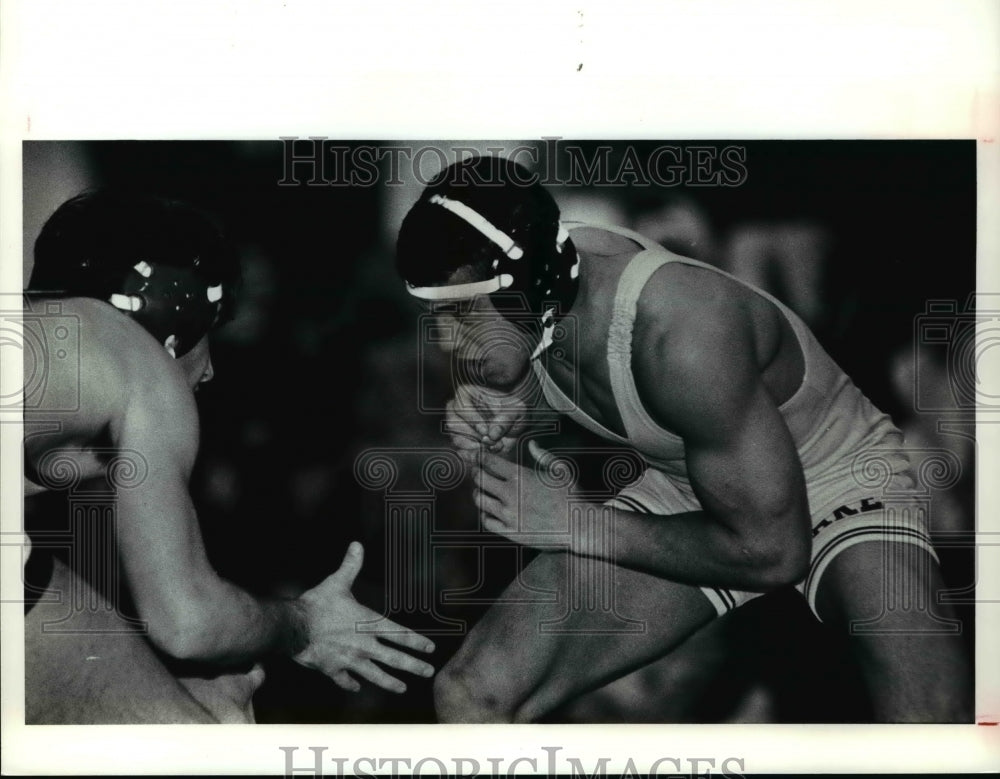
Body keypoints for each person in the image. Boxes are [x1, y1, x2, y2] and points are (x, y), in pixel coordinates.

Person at [394, 156, 972, 723]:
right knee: (474, 693)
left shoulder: (682, 333)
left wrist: (578, 524)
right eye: (436, 314)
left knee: (931, 721)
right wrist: (510, 412)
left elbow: (774, 553)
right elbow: (570, 372)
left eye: (463, 314)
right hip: (692, 481)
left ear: (530, 287)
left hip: (836, 478)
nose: (447, 340)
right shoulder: (544, 284)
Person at [22, 191, 435, 724]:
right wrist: (303, 625)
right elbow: (187, 623)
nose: (211, 371)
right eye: (208, 336)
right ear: (171, 313)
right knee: (192, 739)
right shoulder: (139, 364)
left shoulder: (43, 346)